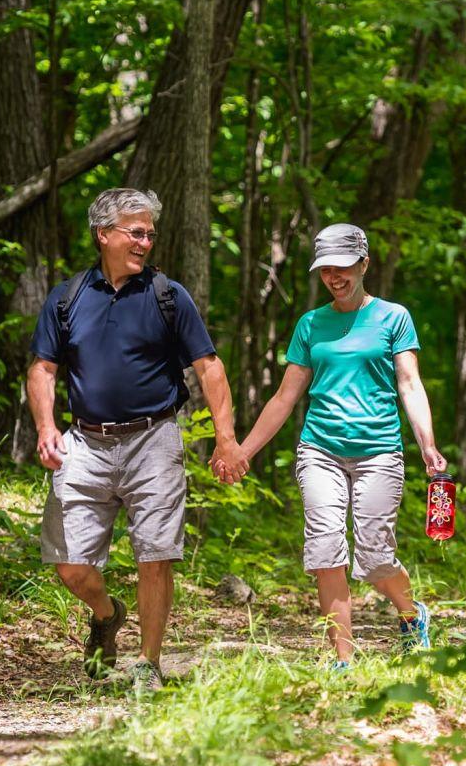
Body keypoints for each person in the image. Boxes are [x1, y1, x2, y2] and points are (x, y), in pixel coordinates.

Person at [26, 188, 247, 690]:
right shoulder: (67, 297)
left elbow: (209, 367)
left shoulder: (168, 296)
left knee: (155, 554)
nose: (146, 242)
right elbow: (42, 369)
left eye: (150, 234)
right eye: (136, 232)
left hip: (154, 440)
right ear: (104, 234)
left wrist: (227, 439)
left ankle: (148, 663)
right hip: (84, 443)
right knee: (69, 566)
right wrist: (45, 427)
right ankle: (107, 614)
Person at [233, 223, 444, 667]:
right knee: (325, 551)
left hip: (379, 451)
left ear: (364, 264)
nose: (334, 277)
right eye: (326, 269)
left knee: (375, 559)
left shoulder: (393, 317)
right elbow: (284, 397)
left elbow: (410, 384)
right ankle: (342, 661)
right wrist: (243, 451)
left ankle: (411, 614)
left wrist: (427, 444)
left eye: (343, 267)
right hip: (320, 451)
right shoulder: (311, 324)